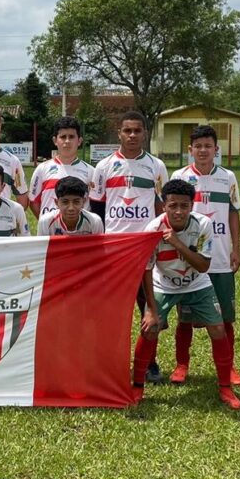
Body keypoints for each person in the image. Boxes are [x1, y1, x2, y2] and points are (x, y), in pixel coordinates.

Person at [134, 179, 240, 409]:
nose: (179, 211)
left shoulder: (203, 224)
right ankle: (136, 388)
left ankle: (225, 387)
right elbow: (146, 269)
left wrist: (176, 243)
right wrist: (151, 310)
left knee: (218, 328)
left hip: (197, 284)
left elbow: (203, 266)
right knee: (149, 329)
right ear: (164, 206)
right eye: (173, 205)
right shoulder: (152, 229)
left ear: (192, 205)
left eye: (184, 205)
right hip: (164, 285)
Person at [89, 111, 168, 382]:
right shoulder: (104, 166)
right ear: (119, 133)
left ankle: (149, 363)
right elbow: (97, 209)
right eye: (127, 131)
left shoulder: (156, 166)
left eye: (137, 130)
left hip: (145, 246)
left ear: (144, 133)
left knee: (149, 308)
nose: (132, 135)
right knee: (114, 312)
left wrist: (157, 239)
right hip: (114, 249)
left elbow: (161, 207)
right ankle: (113, 361)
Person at [169, 125, 240, 385]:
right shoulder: (179, 175)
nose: (202, 150)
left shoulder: (228, 177)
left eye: (208, 146)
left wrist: (236, 246)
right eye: (197, 146)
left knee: (225, 317)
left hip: (221, 256)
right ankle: (181, 364)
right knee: (185, 317)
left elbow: (234, 212)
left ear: (216, 149)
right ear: (190, 150)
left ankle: (230, 367)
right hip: (191, 257)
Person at [29, 116, 94, 219]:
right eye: (63, 137)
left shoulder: (91, 172)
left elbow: (94, 205)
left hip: (80, 233)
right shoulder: (42, 169)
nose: (67, 141)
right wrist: (47, 222)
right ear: (55, 140)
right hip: (50, 232)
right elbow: (33, 202)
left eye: (71, 137)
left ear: (79, 141)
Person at [37, 176, 104, 235]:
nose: (71, 208)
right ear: (56, 202)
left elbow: (99, 248)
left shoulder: (95, 221)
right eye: (65, 202)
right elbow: (41, 248)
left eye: (76, 202)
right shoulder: (45, 222)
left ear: (83, 202)